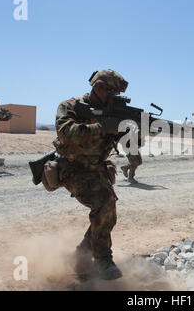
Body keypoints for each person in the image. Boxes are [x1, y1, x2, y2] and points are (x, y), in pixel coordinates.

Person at [53, 69, 128, 280]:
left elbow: (129, 145)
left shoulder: (113, 113)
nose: (112, 99)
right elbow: (66, 132)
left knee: (107, 211)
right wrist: (102, 127)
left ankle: (83, 253)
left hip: (97, 170)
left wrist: (134, 133)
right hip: (72, 168)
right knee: (104, 202)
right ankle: (103, 258)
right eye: (110, 93)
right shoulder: (71, 106)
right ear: (98, 87)